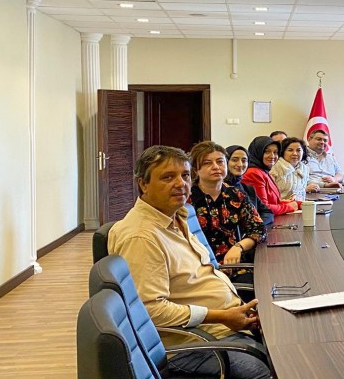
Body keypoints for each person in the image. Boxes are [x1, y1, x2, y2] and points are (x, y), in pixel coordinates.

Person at [107, 145, 269, 379]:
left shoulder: (177, 216)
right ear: (143, 184)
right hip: (196, 343)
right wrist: (222, 316)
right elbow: (151, 310)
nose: (181, 184)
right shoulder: (141, 237)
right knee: (272, 370)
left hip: (224, 326)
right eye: (167, 177)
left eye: (184, 175)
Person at [188, 141, 266, 266]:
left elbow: (259, 229)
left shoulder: (236, 194)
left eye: (220, 162)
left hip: (233, 263)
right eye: (207, 163)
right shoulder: (187, 198)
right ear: (195, 169)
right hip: (198, 266)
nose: (216, 167)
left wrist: (239, 247)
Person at [242, 136, 298, 215]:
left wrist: (298, 204)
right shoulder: (253, 173)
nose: (272, 156)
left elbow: (273, 202)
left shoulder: (264, 171)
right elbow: (263, 208)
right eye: (267, 152)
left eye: (275, 152)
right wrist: (289, 207)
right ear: (258, 152)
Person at [225, 145, 274, 226]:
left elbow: (267, 212)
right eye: (234, 160)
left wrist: (257, 225)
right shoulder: (219, 188)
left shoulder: (247, 188)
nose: (240, 164)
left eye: (244, 160)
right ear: (225, 161)